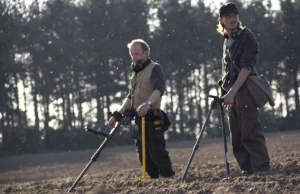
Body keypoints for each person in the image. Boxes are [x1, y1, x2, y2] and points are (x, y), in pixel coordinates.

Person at [107, 39, 175, 178]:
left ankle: (168, 179)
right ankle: (154, 180)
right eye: (132, 55)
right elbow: (130, 96)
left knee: (157, 151)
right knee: (143, 154)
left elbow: (159, 89)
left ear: (146, 53)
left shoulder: (154, 68)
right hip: (139, 119)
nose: (134, 57)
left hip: (152, 117)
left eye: (137, 54)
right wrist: (117, 114)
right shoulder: (135, 73)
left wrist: (147, 103)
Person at [216, 2, 270, 174]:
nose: (232, 19)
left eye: (235, 16)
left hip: (245, 90)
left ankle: (261, 168)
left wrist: (231, 93)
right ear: (221, 20)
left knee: (250, 131)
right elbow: (227, 72)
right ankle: (247, 170)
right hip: (231, 94)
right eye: (228, 17)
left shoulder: (247, 36)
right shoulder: (227, 41)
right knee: (237, 136)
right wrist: (223, 95)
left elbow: (247, 68)